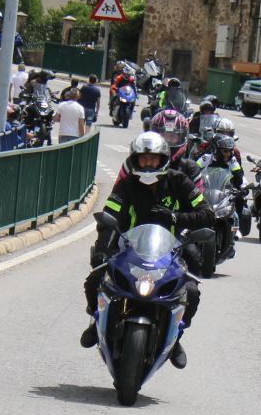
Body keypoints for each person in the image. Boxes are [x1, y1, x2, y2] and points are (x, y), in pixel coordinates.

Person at [80, 131, 213, 363]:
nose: (149, 164)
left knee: (191, 292)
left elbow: (206, 214)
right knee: (94, 279)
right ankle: (96, 321)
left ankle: (176, 338)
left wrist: (175, 217)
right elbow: (109, 215)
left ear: (163, 159)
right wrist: (102, 247)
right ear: (135, 160)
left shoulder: (179, 181)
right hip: (129, 251)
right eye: (144, 159)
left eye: (153, 159)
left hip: (169, 254)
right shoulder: (126, 185)